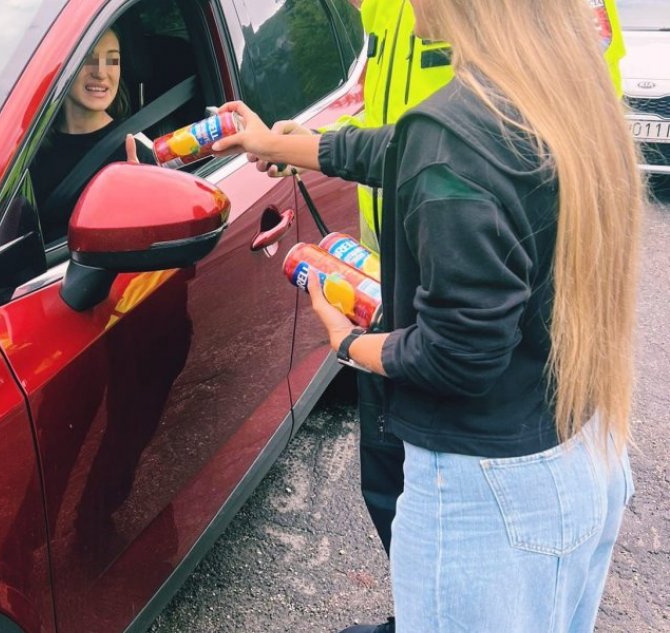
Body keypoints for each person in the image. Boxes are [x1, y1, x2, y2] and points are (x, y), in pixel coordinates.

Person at [214, 0, 640, 629]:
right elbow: (407, 147)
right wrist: (282, 145)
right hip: (579, 450)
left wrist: (348, 342)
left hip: (488, 497)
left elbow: (458, 355)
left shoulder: (455, 136)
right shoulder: (561, 89)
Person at [32, 27, 153, 244]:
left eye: (113, 60)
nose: (101, 72)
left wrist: (140, 204)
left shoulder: (135, 150)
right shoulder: (29, 149)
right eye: (88, 58)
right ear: (61, 65)